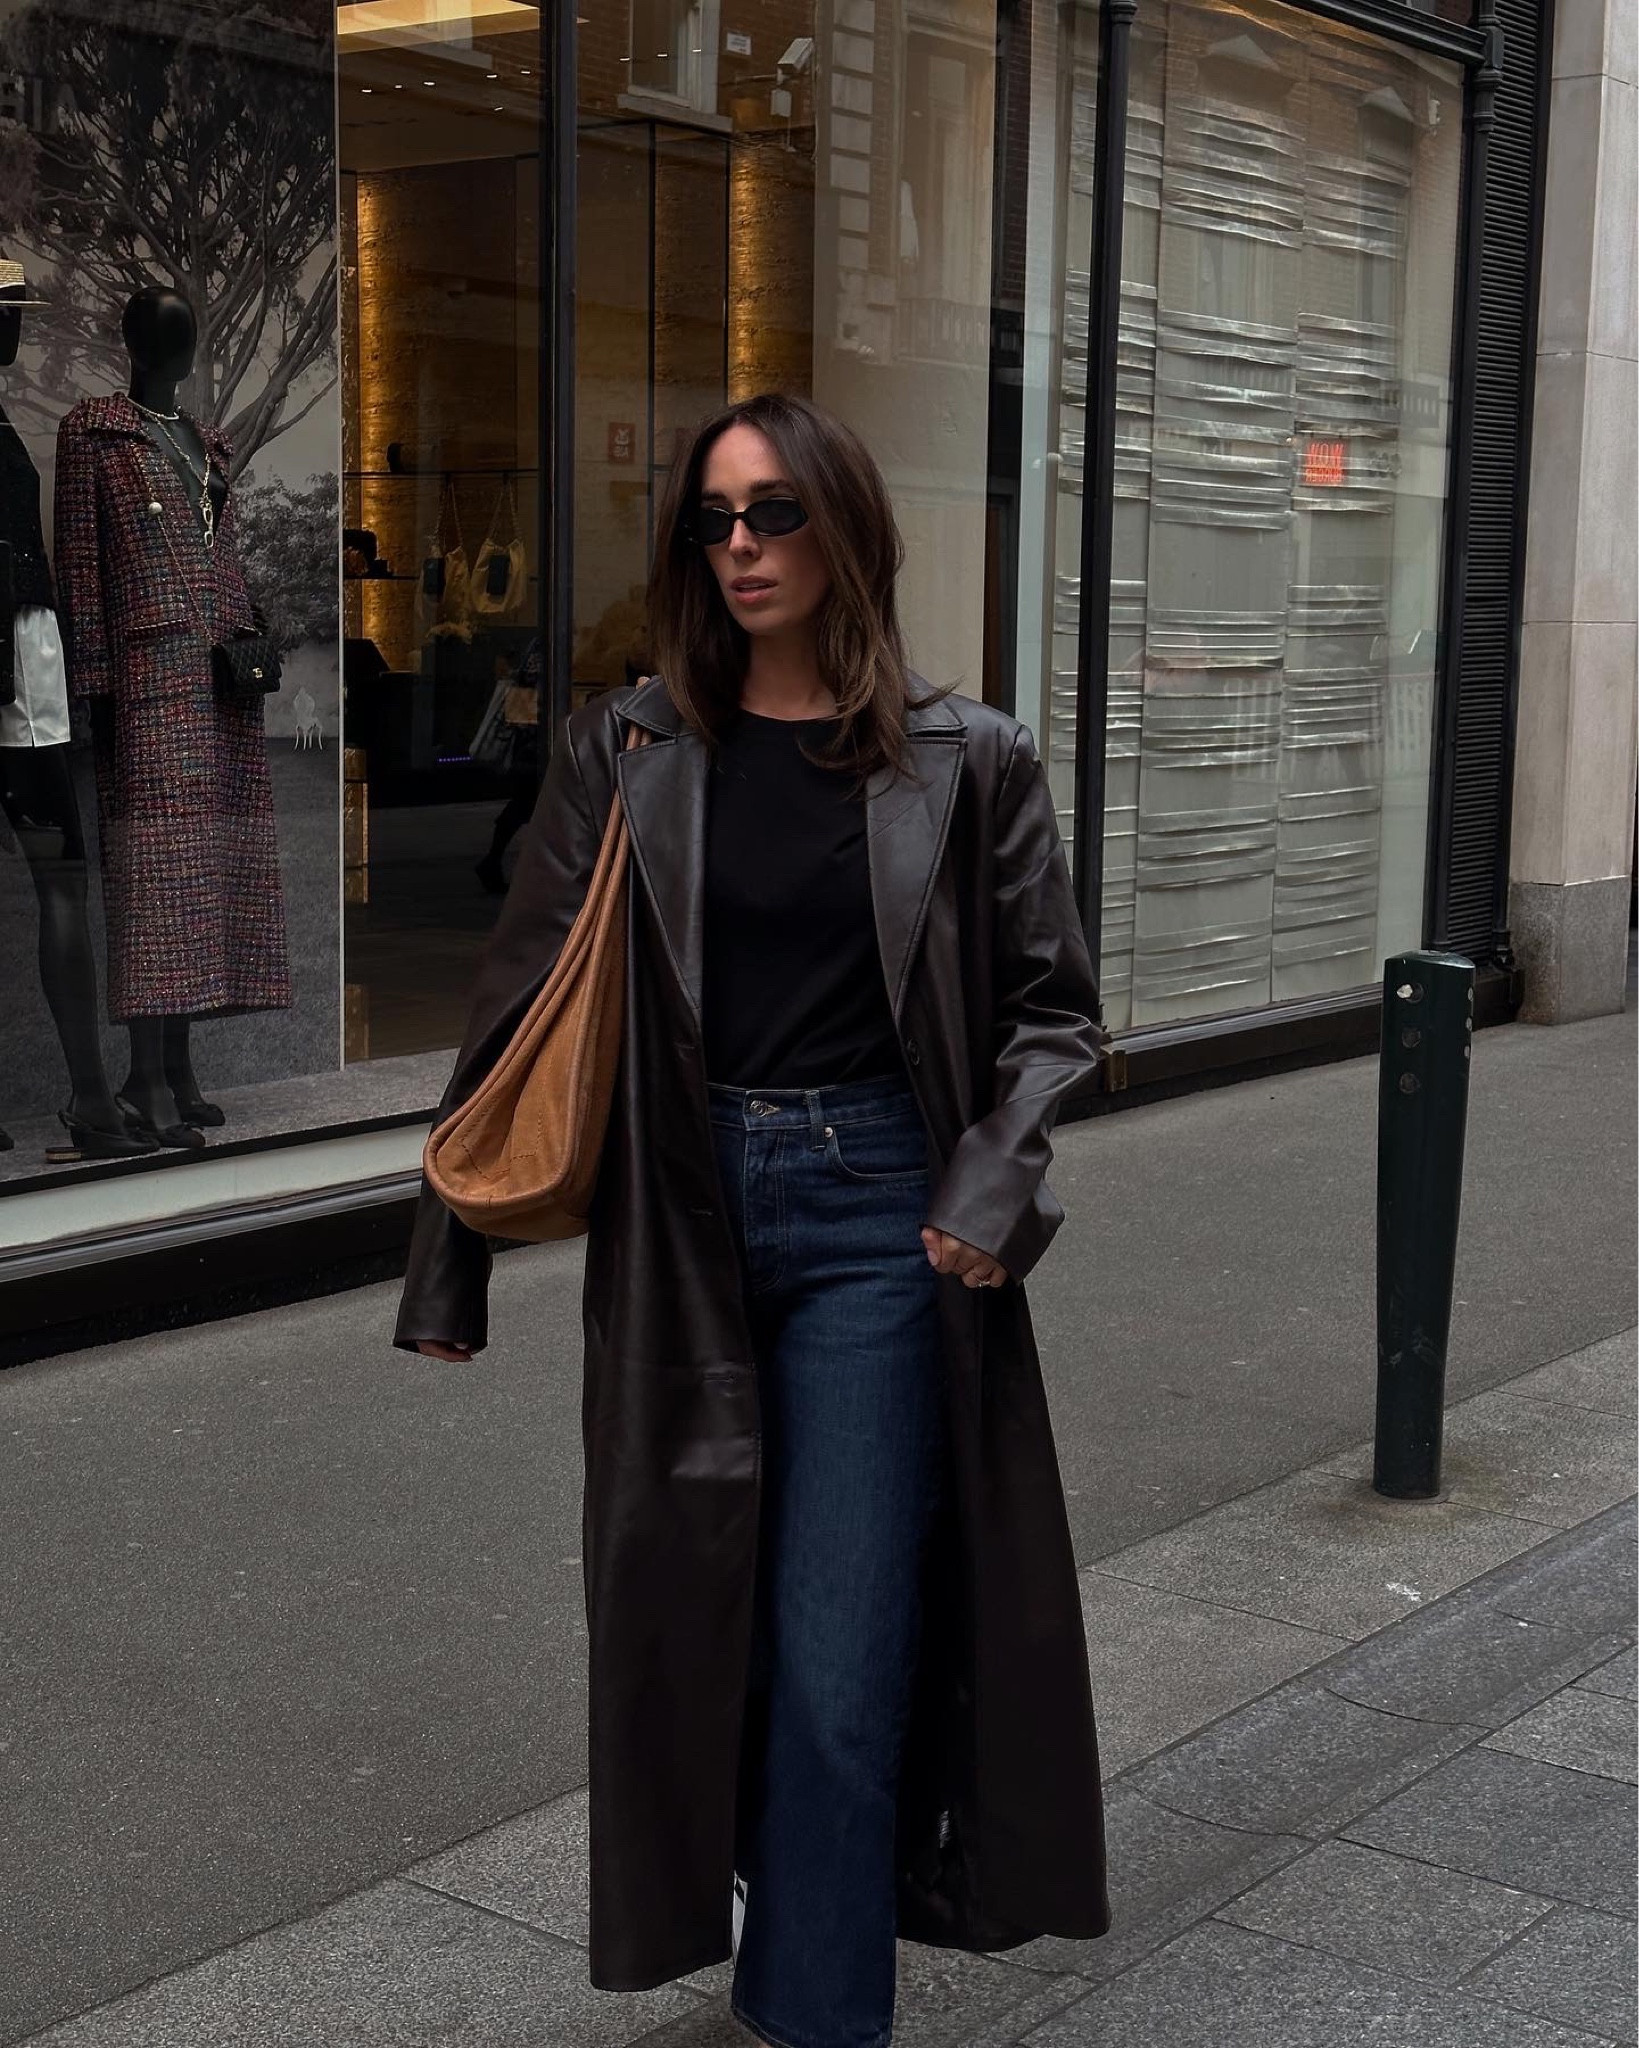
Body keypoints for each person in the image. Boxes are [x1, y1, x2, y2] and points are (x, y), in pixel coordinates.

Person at [394, 393, 1111, 2046]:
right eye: (713, 518)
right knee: (689, 1629)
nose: (740, 546)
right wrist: (449, 1261)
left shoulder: (972, 758)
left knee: (841, 1666)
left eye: (775, 511)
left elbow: (1055, 1015)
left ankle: (811, 2015)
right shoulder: (630, 747)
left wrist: (989, 1185)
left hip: (880, 1226)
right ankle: (774, 1929)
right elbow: (515, 1011)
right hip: (681, 1222)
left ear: (846, 527)